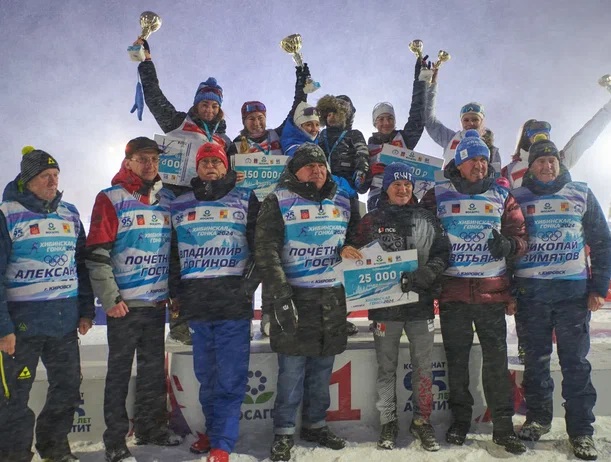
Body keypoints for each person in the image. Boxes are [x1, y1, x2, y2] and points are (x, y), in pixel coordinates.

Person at [420, 130, 527, 454]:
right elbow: (421, 234)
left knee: (496, 363)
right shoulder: (438, 195)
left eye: (483, 159)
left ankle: (503, 427)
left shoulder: (501, 194)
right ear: (459, 163)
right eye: (472, 160)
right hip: (453, 295)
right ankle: (460, 421)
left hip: (491, 295)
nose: (479, 165)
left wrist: (508, 245)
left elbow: (521, 237)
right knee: (457, 363)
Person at [254, 143, 360, 461]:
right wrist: (280, 294)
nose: (317, 170)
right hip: (295, 297)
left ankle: (315, 424)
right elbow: (266, 250)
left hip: (331, 299)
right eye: (309, 166)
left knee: (322, 370)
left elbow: (356, 237)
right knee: (291, 371)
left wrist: (349, 247)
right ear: (295, 171)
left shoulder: (344, 199)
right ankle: (284, 431)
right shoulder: (278, 199)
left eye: (321, 165)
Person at [511, 139, 611, 461]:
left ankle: (581, 431)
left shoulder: (580, 192)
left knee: (575, 364)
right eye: (541, 161)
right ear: (530, 167)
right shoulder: (518, 197)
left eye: (552, 160)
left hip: (572, 296)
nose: (547, 166)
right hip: (531, 296)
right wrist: (509, 293)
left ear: (559, 163)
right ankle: (538, 418)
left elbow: (602, 241)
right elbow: (509, 244)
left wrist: (599, 288)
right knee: (535, 361)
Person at [341, 162, 450, 451]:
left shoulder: (427, 218)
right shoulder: (371, 220)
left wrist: (428, 274)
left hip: (420, 305)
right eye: (396, 185)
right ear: (386, 188)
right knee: (386, 368)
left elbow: (443, 253)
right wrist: (347, 250)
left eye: (407, 185)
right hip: (384, 308)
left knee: (423, 367)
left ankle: (421, 421)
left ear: (413, 188)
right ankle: (388, 421)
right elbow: (353, 249)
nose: (402, 189)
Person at [86, 137, 181, 462]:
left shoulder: (166, 199)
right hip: (124, 307)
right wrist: (110, 298)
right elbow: (97, 253)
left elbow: (172, 252)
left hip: (155, 305)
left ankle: (150, 428)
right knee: (119, 374)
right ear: (128, 162)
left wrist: (173, 293)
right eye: (142, 159)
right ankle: (115, 440)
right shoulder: (111, 198)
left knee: (153, 373)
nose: (150, 165)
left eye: (154, 159)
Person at [0, 147, 94, 462]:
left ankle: (54, 448)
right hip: (20, 328)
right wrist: (3, 327)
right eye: (45, 176)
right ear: (27, 180)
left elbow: (82, 265)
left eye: (55, 175)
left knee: (67, 389)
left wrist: (86, 310)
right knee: (14, 397)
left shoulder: (70, 214)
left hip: (63, 323)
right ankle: (14, 455)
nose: (53, 182)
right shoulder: (7, 214)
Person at [135, 39, 232, 344]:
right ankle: (179, 320)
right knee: (174, 259)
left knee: (203, 261)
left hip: (208, 205)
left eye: (214, 105)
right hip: (176, 200)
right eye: (205, 104)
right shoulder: (178, 121)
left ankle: (211, 318)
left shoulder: (225, 140)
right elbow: (153, 96)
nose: (209, 109)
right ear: (196, 104)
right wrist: (146, 63)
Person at [169, 143, 259, 462]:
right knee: (206, 376)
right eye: (204, 161)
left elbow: (260, 248)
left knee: (230, 377)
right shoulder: (180, 204)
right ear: (197, 167)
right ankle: (212, 430)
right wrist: (176, 294)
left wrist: (246, 287)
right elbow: (172, 254)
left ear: (225, 167)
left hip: (233, 304)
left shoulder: (245, 197)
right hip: (197, 304)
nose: (210, 166)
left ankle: (223, 442)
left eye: (216, 161)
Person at [503, 95, 611, 188]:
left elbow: (584, 138)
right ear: (525, 138)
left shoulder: (558, 163)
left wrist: (608, 110)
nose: (541, 142)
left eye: (545, 137)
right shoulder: (511, 170)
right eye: (538, 137)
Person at [367, 55, 427, 210]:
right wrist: (369, 173)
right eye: (381, 119)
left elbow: (418, 115)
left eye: (390, 118)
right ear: (375, 123)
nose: (386, 123)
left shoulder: (404, 138)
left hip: (404, 196)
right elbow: (360, 182)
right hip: (377, 198)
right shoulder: (367, 147)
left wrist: (420, 80)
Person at [423, 68, 501, 167]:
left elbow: (496, 175)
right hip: (448, 177)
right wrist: (432, 85)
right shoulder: (450, 138)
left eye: (475, 119)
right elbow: (429, 121)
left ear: (482, 121)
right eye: (466, 120)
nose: (470, 123)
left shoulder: (492, 151)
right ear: (461, 122)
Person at [315, 94, 370, 193]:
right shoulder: (321, 135)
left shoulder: (353, 134)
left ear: (346, 116)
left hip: (346, 187)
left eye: (336, 113)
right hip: (322, 186)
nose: (331, 116)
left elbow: (362, 155)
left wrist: (361, 173)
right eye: (329, 114)